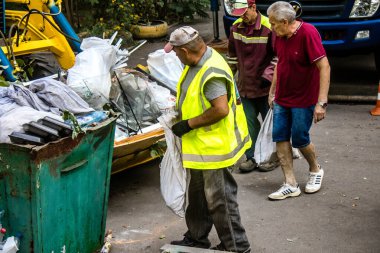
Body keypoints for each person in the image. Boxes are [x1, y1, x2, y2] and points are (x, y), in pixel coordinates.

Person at [164, 26, 251, 253]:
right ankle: (196, 237)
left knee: (220, 199)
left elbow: (220, 110)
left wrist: (188, 124)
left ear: (184, 50)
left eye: (175, 52)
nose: (175, 56)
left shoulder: (211, 71)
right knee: (198, 197)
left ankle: (237, 246)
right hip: (200, 146)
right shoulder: (198, 59)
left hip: (215, 147)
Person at [266, 1, 331, 200]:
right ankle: (290, 183)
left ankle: (315, 169)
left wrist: (321, 102)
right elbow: (280, 64)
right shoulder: (279, 36)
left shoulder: (308, 33)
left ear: (285, 22)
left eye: (274, 24)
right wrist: (272, 91)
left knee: (300, 138)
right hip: (283, 97)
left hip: (304, 99)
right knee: (280, 137)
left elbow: (324, 67)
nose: (271, 27)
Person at [227, 0, 278, 173]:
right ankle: (252, 157)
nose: (242, 17)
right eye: (238, 14)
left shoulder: (268, 27)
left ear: (253, 7)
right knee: (248, 125)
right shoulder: (235, 27)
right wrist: (227, 78)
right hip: (245, 87)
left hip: (265, 88)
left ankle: (271, 158)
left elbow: (279, 56)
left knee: (271, 125)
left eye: (244, 12)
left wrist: (268, 76)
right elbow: (232, 57)